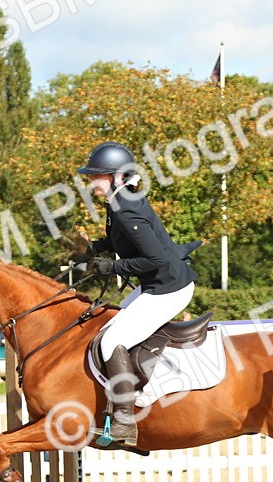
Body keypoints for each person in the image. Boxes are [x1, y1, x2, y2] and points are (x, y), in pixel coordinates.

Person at [78, 141, 201, 446]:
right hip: (156, 283)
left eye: (98, 177)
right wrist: (96, 248)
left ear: (117, 177)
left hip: (168, 288)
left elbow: (155, 258)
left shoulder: (126, 210)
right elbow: (123, 241)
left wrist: (114, 267)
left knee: (111, 341)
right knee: (110, 328)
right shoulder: (120, 201)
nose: (92, 182)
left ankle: (123, 421)